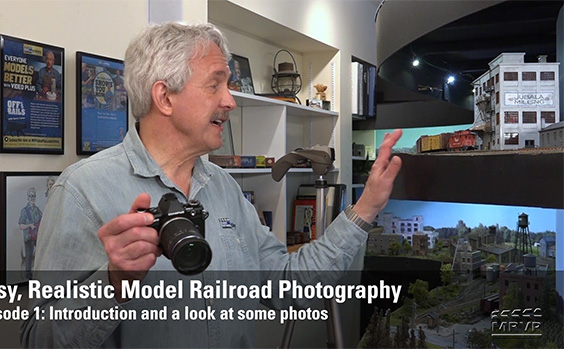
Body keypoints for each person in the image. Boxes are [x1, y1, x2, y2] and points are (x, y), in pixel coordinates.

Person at [21, 22, 402, 348]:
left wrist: (365, 207)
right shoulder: (83, 190)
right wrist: (113, 284)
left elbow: (288, 286)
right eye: (215, 86)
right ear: (164, 97)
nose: (230, 102)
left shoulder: (224, 188)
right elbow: (39, 339)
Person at [18, 187, 42, 279]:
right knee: (29, 255)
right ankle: (28, 274)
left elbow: (43, 218)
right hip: (28, 237)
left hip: (37, 236)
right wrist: (30, 225)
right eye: (30, 196)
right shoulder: (24, 211)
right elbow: (21, 226)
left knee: (42, 250)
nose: (32, 198)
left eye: (34, 196)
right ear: (28, 198)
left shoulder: (37, 210)